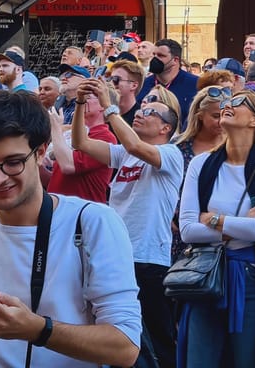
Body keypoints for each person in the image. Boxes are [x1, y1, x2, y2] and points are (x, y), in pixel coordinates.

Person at [0, 90, 141, 368]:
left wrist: (38, 330)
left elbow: (126, 346)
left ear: (41, 152)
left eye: (13, 162)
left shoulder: (93, 222)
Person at [71, 77, 184, 368]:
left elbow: (134, 145)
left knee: (157, 338)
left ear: (166, 128)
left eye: (150, 112)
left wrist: (108, 106)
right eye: (142, 108)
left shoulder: (170, 154)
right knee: (122, 335)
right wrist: (81, 103)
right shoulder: (124, 155)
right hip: (117, 255)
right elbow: (80, 143)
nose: (142, 113)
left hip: (148, 258)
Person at [177, 91, 255, 368]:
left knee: (248, 360)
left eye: (238, 103)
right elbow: (187, 231)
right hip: (204, 275)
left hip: (250, 277)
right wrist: (240, 225)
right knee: (199, 360)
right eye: (227, 103)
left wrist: (215, 220)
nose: (228, 105)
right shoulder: (201, 163)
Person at [170, 86, 226, 260]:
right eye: (216, 116)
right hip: (179, 230)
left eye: (226, 114)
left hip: (219, 230)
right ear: (200, 115)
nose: (221, 121)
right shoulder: (179, 146)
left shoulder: (231, 146)